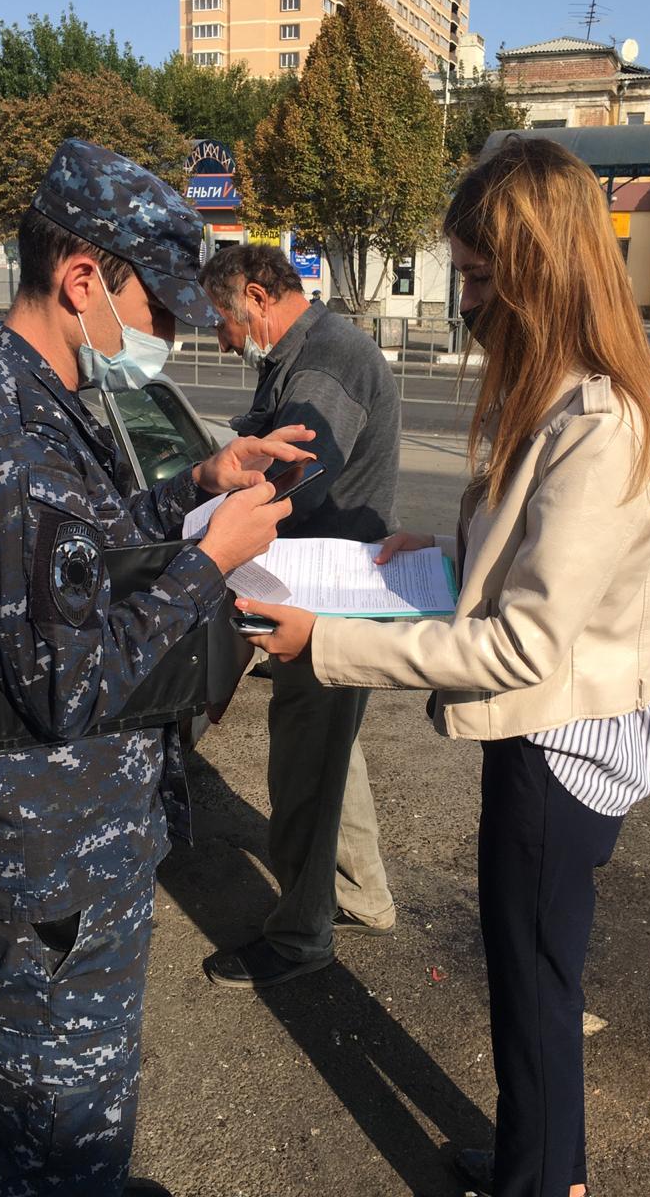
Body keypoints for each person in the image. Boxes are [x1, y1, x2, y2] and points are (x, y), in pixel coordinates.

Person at [237, 136, 650, 1197]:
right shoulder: (569, 396)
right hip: (550, 731)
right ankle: (550, 1163)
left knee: (534, 987)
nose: (470, 301)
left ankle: (545, 1182)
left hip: (554, 749)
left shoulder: (600, 426)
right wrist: (432, 559)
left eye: (486, 278)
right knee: (538, 980)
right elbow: (532, 570)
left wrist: (327, 642)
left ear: (547, 272)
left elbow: (527, 641)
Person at [0, 139, 316, 1197]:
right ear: (83, 278)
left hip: (65, 849)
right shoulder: (9, 435)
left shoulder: (41, 399)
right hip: (45, 862)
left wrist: (198, 484)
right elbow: (71, 682)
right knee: (67, 1130)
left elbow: (78, 564)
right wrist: (211, 561)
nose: (169, 336)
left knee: (53, 1113)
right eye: (159, 309)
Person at [197, 244, 401, 989]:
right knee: (331, 753)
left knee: (305, 766)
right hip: (326, 586)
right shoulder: (300, 354)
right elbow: (257, 433)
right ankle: (362, 895)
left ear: (256, 295)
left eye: (222, 318)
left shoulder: (323, 365)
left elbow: (294, 481)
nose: (219, 337)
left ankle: (299, 937)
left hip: (325, 596)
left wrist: (209, 526)